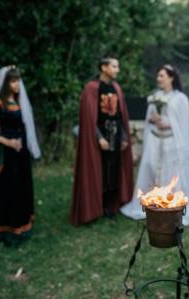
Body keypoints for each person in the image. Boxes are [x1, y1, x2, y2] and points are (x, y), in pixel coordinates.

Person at [121, 65, 189, 225]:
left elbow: (183, 123)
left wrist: (169, 124)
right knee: (151, 169)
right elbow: (149, 117)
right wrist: (153, 119)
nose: (158, 79)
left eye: (162, 76)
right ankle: (152, 203)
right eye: (158, 76)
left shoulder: (181, 98)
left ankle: (171, 204)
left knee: (171, 172)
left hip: (171, 141)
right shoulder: (155, 96)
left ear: (171, 78)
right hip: (155, 140)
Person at [70, 56, 133, 225]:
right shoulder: (92, 88)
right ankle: (95, 207)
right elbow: (89, 118)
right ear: (104, 68)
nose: (117, 70)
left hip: (116, 133)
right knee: (100, 171)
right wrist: (98, 137)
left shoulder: (116, 88)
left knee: (113, 171)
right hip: (100, 134)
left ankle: (110, 205)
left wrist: (124, 137)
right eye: (114, 66)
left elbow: (121, 115)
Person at [0, 66, 41, 246]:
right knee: (6, 188)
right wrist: (8, 142)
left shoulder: (19, 101)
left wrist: (22, 143)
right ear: (5, 83)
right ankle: (4, 228)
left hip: (20, 153)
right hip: (4, 154)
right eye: (13, 81)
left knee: (21, 186)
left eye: (18, 80)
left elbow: (24, 126)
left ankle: (21, 223)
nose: (18, 84)